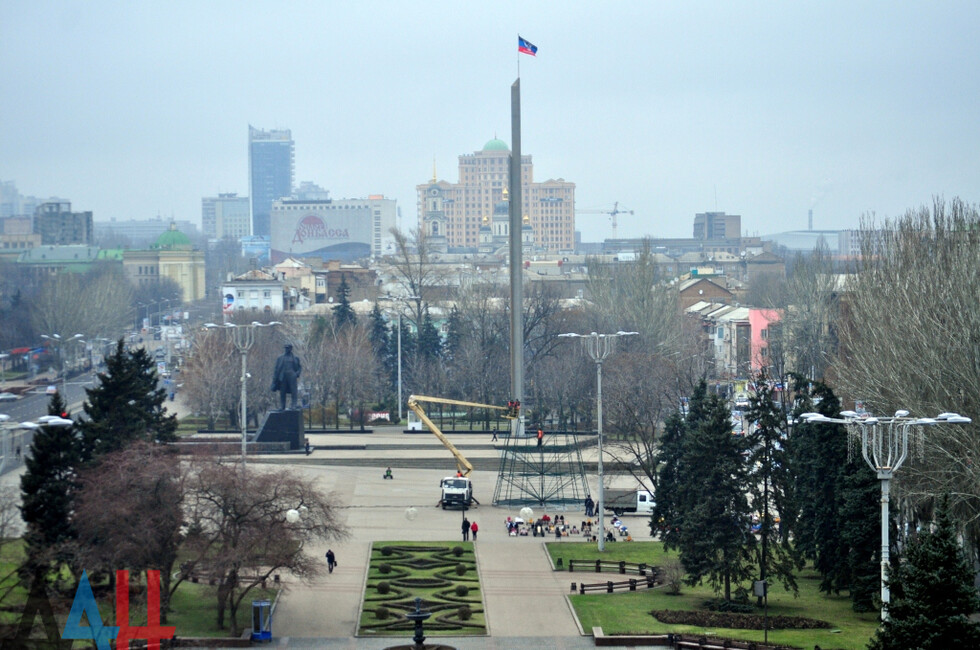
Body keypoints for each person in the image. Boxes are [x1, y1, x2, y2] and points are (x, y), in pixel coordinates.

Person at [271, 344, 302, 410]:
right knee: (282, 391)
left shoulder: (295, 358)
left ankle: (294, 404)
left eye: (288, 348)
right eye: (285, 348)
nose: (286, 349)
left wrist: (296, 374)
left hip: (292, 376)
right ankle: (282, 406)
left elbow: (299, 367)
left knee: (294, 391)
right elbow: (276, 369)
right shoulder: (280, 358)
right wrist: (274, 380)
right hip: (283, 376)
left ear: (291, 349)